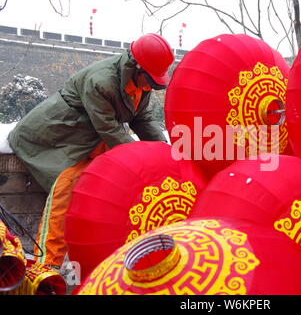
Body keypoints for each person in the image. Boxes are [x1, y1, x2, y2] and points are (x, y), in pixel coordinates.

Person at [7, 33, 175, 268]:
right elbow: (109, 128)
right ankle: (46, 265)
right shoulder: (102, 81)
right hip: (59, 134)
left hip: (94, 138)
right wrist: (141, 160)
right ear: (136, 66)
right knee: (66, 189)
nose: (150, 87)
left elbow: (143, 120)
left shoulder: (141, 82)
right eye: (150, 81)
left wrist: (164, 153)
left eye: (155, 84)